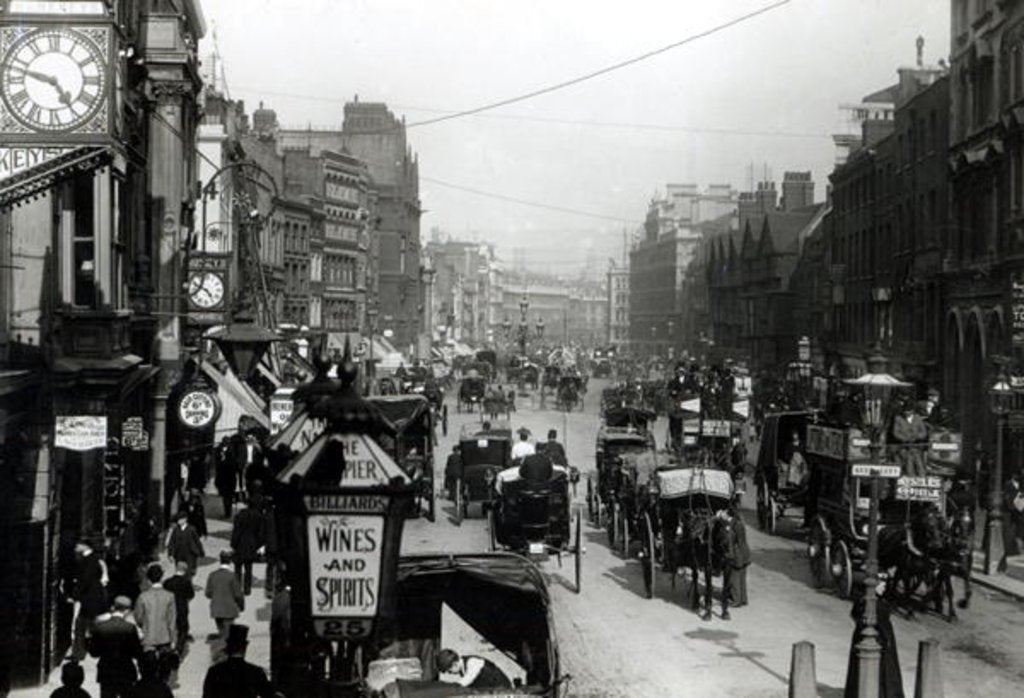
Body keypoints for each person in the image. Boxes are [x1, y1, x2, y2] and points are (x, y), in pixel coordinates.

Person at [844, 579, 904, 697]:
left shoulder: (862, 601)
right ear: (874, 586)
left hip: (863, 637)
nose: (884, 587)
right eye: (881, 584)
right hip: (878, 640)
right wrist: (887, 640)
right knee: (885, 670)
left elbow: (854, 614)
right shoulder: (876, 605)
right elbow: (882, 625)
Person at [201, 625, 276, 698]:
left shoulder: (214, 672)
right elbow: (270, 694)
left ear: (228, 647)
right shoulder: (255, 673)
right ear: (245, 647)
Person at [88, 596, 141, 698]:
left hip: (106, 671)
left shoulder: (101, 627)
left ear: (114, 607)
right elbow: (136, 652)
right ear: (127, 611)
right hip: (125, 671)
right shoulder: (130, 628)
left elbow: (94, 652)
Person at [70, 540, 109, 662]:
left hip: (88, 598)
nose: (75, 547)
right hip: (94, 597)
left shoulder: (89, 560)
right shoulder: (94, 559)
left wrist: (75, 595)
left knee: (80, 625)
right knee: (93, 625)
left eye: (77, 544)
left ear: (84, 546)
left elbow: (85, 580)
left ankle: (79, 653)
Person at [133, 564, 176, 660]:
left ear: (148, 579)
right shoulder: (170, 596)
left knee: (149, 669)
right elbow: (172, 620)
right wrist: (173, 639)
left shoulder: (143, 596)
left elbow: (138, 617)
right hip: (165, 636)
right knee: (164, 669)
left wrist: (143, 625)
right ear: (161, 577)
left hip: (148, 636)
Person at [230, 495, 267, 596]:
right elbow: (260, 533)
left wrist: (233, 544)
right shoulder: (258, 516)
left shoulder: (239, 516)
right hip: (251, 545)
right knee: (248, 568)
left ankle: (237, 588)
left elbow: (236, 532)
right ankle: (247, 589)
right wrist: (258, 545)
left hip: (240, 544)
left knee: (238, 568)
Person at [205, 550, 244, 643]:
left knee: (221, 630)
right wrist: (241, 606)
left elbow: (208, 593)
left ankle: (222, 648)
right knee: (229, 633)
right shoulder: (232, 576)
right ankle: (225, 651)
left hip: (216, 608)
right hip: (229, 608)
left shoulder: (212, 575)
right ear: (229, 561)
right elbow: (238, 594)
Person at [162, 562, 194, 657]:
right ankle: (179, 649)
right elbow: (191, 595)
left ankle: (168, 647)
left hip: (169, 608)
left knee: (170, 627)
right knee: (183, 628)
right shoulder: (186, 581)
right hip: (181, 607)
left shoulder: (167, 582)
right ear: (185, 570)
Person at [437, 649, 512, 689]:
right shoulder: (463, 668)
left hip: (503, 691)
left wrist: (449, 688)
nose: (450, 673)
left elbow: (467, 680)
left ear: (455, 664)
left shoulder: (473, 662)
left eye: (449, 671)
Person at [165, 510, 204, 579]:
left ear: (185, 519)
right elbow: (172, 542)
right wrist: (170, 554)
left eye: (180, 519)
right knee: (179, 570)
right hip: (179, 553)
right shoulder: (176, 530)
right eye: (178, 520)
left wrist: (201, 552)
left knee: (189, 571)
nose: (178, 521)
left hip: (189, 553)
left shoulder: (191, 529)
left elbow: (197, 541)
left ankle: (187, 584)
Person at [726, 501, 751, 607]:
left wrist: (729, 555)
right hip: (745, 552)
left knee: (734, 577)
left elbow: (731, 542)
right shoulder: (740, 521)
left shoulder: (732, 525)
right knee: (742, 577)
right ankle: (744, 599)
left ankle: (736, 600)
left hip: (737, 554)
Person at [1001, 468, 1024, 573]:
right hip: (1011, 513)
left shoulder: (1020, 484)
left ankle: (1017, 551)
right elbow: (1008, 498)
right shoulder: (1008, 484)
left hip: (1018, 513)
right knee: (1010, 535)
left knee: (1018, 533)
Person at [214, 436, 238, 519]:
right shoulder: (218, 450)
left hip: (229, 476)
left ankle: (228, 512)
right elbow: (217, 462)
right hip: (222, 476)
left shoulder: (232, 451)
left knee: (228, 496)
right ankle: (227, 511)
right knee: (225, 496)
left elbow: (234, 463)